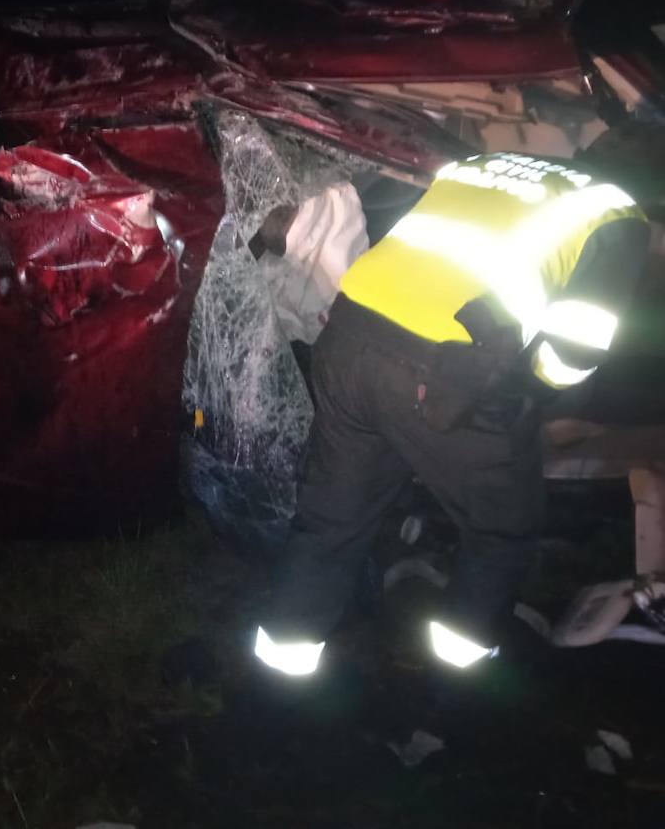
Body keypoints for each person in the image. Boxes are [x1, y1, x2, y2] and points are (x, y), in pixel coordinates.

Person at [253, 148, 650, 691]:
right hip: (444, 367)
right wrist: (527, 396)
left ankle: (281, 667)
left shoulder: (482, 163)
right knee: (500, 526)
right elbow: (579, 343)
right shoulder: (618, 212)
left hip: (348, 336)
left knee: (332, 518)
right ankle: (457, 678)